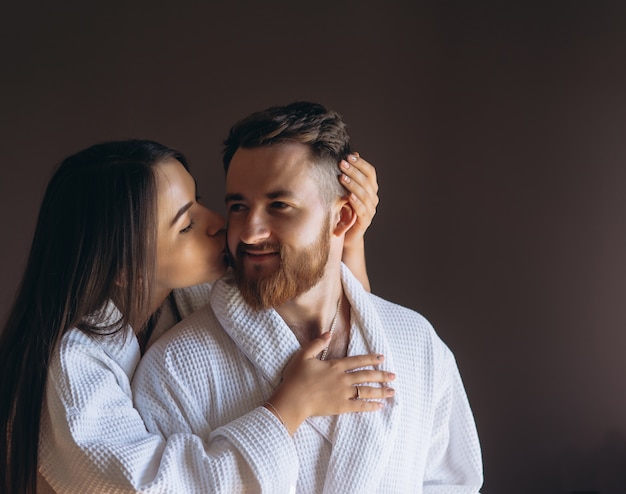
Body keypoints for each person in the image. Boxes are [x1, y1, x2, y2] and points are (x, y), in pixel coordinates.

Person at [0, 139, 389, 493]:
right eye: (186, 225)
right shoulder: (70, 368)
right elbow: (153, 487)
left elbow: (325, 307)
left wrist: (341, 237)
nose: (219, 222)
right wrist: (288, 408)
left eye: (199, 200)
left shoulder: (187, 297)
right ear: (125, 268)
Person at [133, 101, 484, 493]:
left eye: (279, 206)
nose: (249, 232)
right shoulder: (174, 370)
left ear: (344, 218)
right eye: (238, 206)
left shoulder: (416, 343)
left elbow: (453, 483)